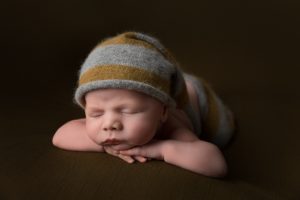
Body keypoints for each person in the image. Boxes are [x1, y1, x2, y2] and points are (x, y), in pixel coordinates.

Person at [52, 31, 235, 177]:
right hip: (158, 87)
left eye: (128, 111)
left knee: (220, 129)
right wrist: (105, 146)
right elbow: (59, 136)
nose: (109, 124)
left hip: (195, 94)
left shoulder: (173, 128)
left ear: (162, 112)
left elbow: (215, 164)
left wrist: (160, 149)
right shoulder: (107, 119)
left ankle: (185, 85)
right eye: (96, 113)